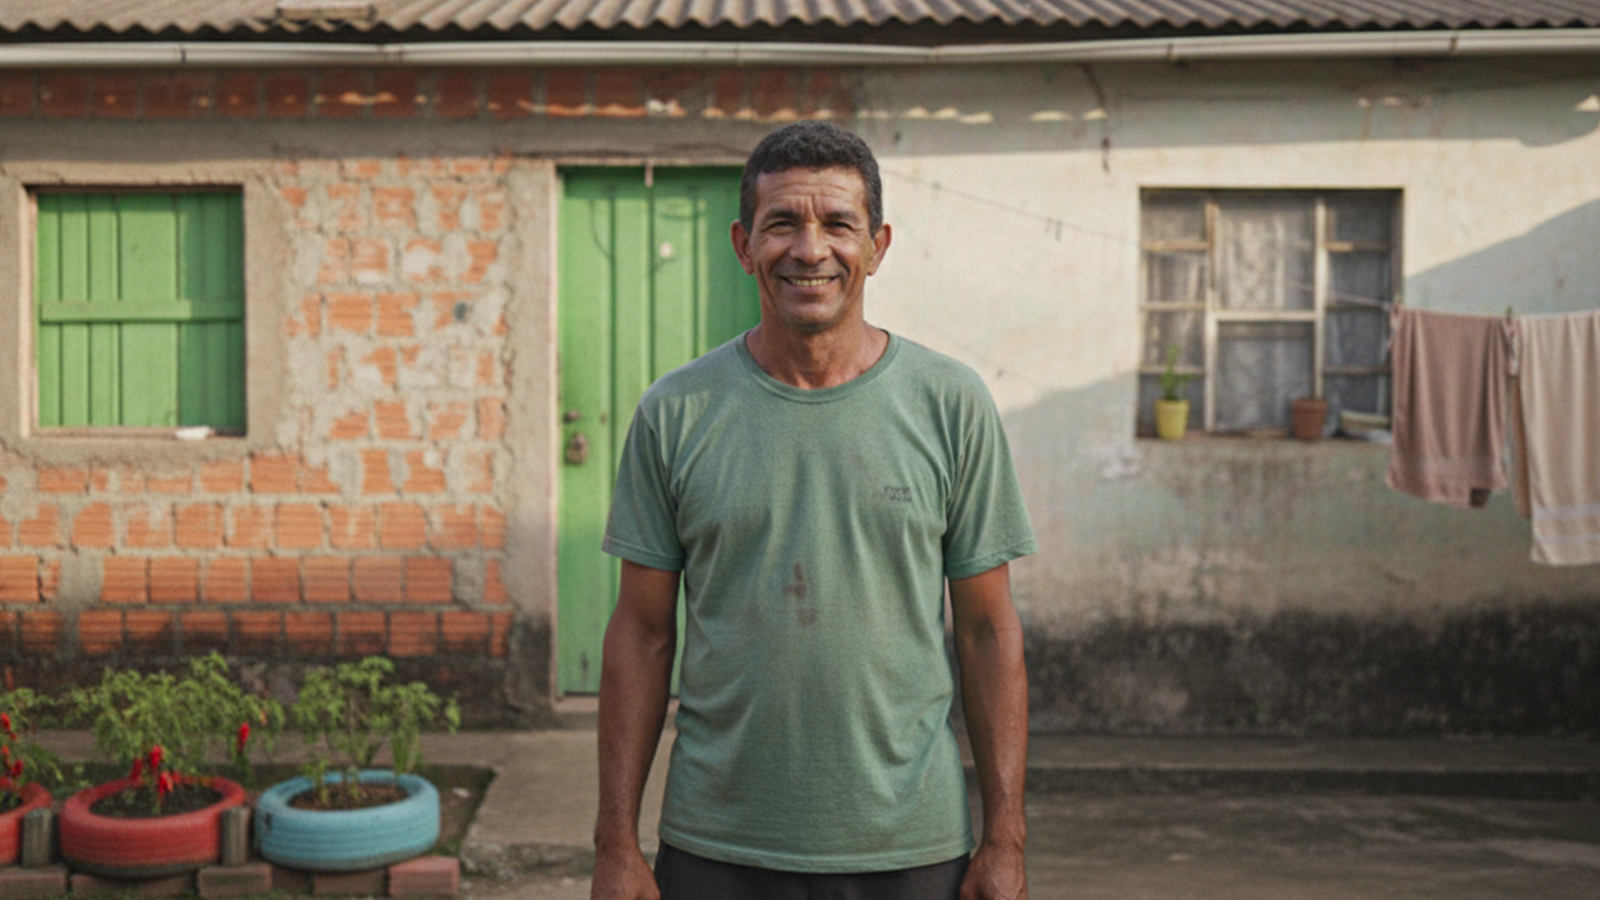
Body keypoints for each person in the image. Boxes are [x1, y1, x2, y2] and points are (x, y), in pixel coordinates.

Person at [591, 120, 1036, 900]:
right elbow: (642, 630)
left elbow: (988, 630)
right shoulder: (677, 412)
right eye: (783, 224)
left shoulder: (950, 404)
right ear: (742, 243)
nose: (810, 249)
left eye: (837, 224)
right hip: (716, 846)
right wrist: (614, 844)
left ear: (878, 244)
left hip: (910, 847)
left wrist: (1005, 837)